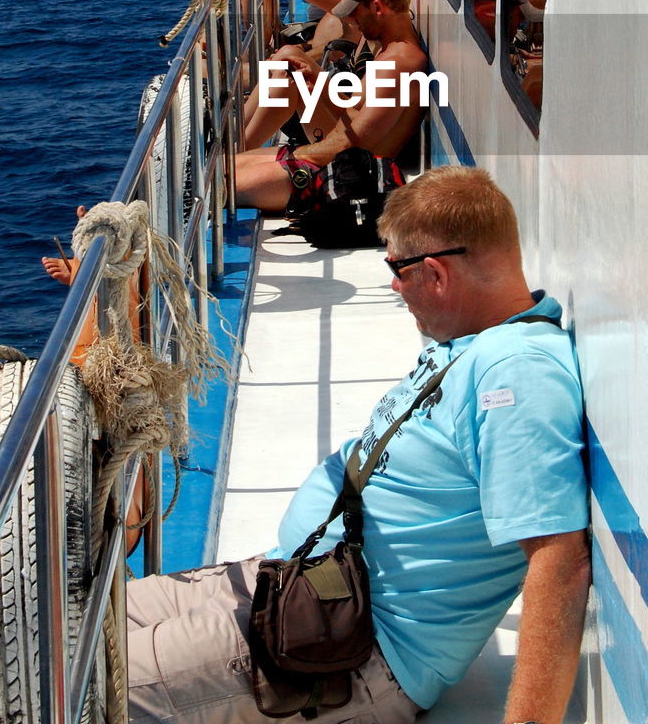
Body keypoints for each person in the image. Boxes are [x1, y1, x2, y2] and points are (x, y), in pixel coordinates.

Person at [127, 166, 590, 724]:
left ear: (437, 274)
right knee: (75, 634)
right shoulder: (473, 344)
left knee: (84, 685)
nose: (393, 286)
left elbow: (559, 562)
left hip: (344, 648)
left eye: (396, 268)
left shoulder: (516, 376)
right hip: (298, 585)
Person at [228, 0, 428, 205]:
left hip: (346, 176)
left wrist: (295, 155)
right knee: (224, 167)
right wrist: (318, 84)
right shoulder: (389, 49)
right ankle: (233, 146)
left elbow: (354, 142)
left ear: (377, 8)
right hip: (336, 159)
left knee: (221, 184)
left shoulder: (399, 64)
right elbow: (357, 115)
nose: (351, 20)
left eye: (355, 11)